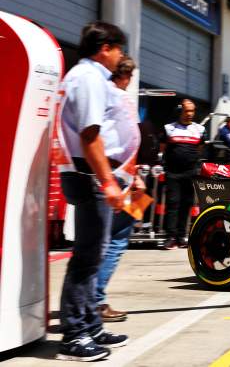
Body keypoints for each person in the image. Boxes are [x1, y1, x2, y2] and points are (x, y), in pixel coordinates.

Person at [56, 21, 130, 361]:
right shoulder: (88, 79)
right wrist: (108, 181)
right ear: (105, 48)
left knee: (94, 253)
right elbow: (90, 136)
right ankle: (75, 334)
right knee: (87, 257)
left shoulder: (88, 77)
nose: (120, 57)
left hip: (88, 173)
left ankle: (89, 325)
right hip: (88, 174)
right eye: (119, 50)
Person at [95, 56, 144, 324]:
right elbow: (127, 141)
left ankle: (92, 299)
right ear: (127, 77)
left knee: (106, 239)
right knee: (115, 240)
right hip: (119, 177)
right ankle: (97, 300)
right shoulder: (121, 99)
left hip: (117, 175)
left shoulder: (103, 94)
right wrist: (134, 176)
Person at [161, 99, 206, 250]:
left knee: (186, 204)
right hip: (173, 173)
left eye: (192, 111)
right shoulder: (169, 128)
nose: (190, 114)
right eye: (187, 111)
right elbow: (163, 149)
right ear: (180, 111)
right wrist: (165, 167)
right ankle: (170, 237)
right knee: (172, 204)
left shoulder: (199, 129)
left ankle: (181, 236)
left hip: (190, 173)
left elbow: (199, 149)